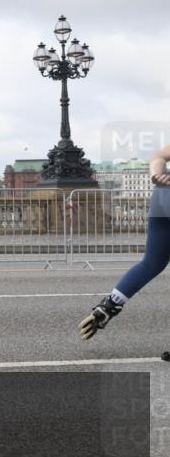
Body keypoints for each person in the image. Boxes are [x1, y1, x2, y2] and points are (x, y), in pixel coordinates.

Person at [79, 145, 170, 340]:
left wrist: (156, 176)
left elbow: (158, 156)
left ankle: (109, 306)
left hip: (163, 194)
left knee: (152, 262)